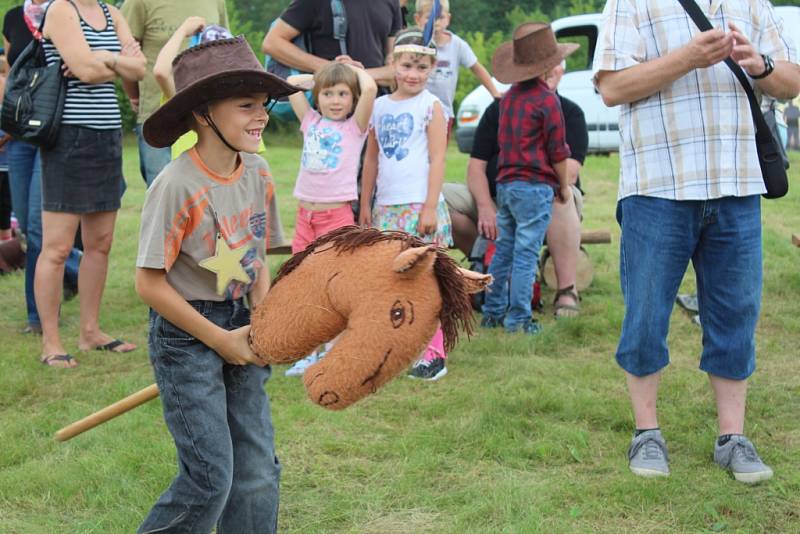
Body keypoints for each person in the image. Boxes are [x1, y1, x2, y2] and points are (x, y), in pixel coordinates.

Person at [594, 0, 800, 482]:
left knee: (736, 315)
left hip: (738, 185)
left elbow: (792, 80)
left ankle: (733, 438)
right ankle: (647, 433)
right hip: (656, 188)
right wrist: (688, 57)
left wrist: (763, 65)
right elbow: (611, 87)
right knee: (645, 315)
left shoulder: (753, 2)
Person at [135, 36, 297, 532]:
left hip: (243, 324)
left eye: (264, 105)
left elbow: (257, 262)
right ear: (204, 114)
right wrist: (218, 339)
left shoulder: (259, 173)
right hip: (186, 335)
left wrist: (262, 323)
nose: (261, 115)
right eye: (245, 105)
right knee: (210, 477)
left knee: (255, 471)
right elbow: (149, 284)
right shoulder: (176, 185)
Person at [34, 0, 146, 368]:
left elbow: (140, 68)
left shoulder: (112, 13)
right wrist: (116, 58)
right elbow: (83, 70)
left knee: (100, 243)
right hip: (68, 136)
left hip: (106, 135)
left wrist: (105, 59)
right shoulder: (61, 10)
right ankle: (51, 343)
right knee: (57, 247)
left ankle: (90, 332)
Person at [444, 60, 588, 317]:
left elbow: (569, 170)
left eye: (553, 63)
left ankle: (566, 289)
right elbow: (475, 166)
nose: (547, 70)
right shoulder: (499, 107)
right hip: (498, 196)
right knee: (439, 197)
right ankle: (484, 273)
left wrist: (564, 188)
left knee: (560, 195)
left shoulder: (570, 112)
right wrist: (486, 205)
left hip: (544, 201)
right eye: (542, 64)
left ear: (562, 70)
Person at [360, 27, 451, 381]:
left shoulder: (431, 106)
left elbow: (438, 158)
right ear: (393, 64)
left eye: (422, 68)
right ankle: (399, 347)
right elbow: (371, 160)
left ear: (431, 70)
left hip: (419, 205)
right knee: (392, 281)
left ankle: (434, 352)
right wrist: (366, 204)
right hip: (388, 207)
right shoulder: (379, 107)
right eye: (408, 66)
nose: (414, 75)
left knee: (425, 281)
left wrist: (430, 206)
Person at [479, 23, 576, 335]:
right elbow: (558, 151)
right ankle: (519, 319)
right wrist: (562, 186)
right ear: (548, 65)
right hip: (534, 187)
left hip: (505, 184)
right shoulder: (547, 101)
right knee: (526, 253)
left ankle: (492, 312)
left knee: (505, 248)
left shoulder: (507, 99)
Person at [282, 62, 377, 377]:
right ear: (317, 97)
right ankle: (308, 352)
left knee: (333, 286)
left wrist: (348, 71)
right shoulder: (310, 121)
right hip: (304, 217)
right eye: (328, 94)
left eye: (342, 94)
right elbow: (290, 82)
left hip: (334, 218)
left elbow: (372, 88)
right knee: (303, 284)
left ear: (352, 99)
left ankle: (335, 350)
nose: (335, 100)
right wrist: (323, 75)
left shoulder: (354, 128)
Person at [2, 0, 83, 334]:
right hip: (21, 136)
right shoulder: (13, 18)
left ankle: (38, 317)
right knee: (26, 223)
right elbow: (10, 72)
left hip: (57, 131)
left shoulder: (71, 13)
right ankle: (73, 269)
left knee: (37, 225)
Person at [120, 0, 228, 186]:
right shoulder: (138, 3)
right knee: (162, 194)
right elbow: (126, 55)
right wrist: (134, 97)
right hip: (157, 114)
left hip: (206, 119)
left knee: (208, 196)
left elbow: (227, 50)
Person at [262, 0, 402, 88]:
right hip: (330, 108)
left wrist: (357, 74)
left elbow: (395, 66)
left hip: (376, 104)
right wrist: (333, 69)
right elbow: (272, 42)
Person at [414, 0, 500, 136]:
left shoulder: (458, 45)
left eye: (440, 17)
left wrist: (495, 93)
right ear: (417, 19)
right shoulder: (414, 43)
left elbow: (477, 68)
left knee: (437, 154)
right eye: (429, 18)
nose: (435, 22)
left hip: (444, 112)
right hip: (416, 109)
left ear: (448, 19)